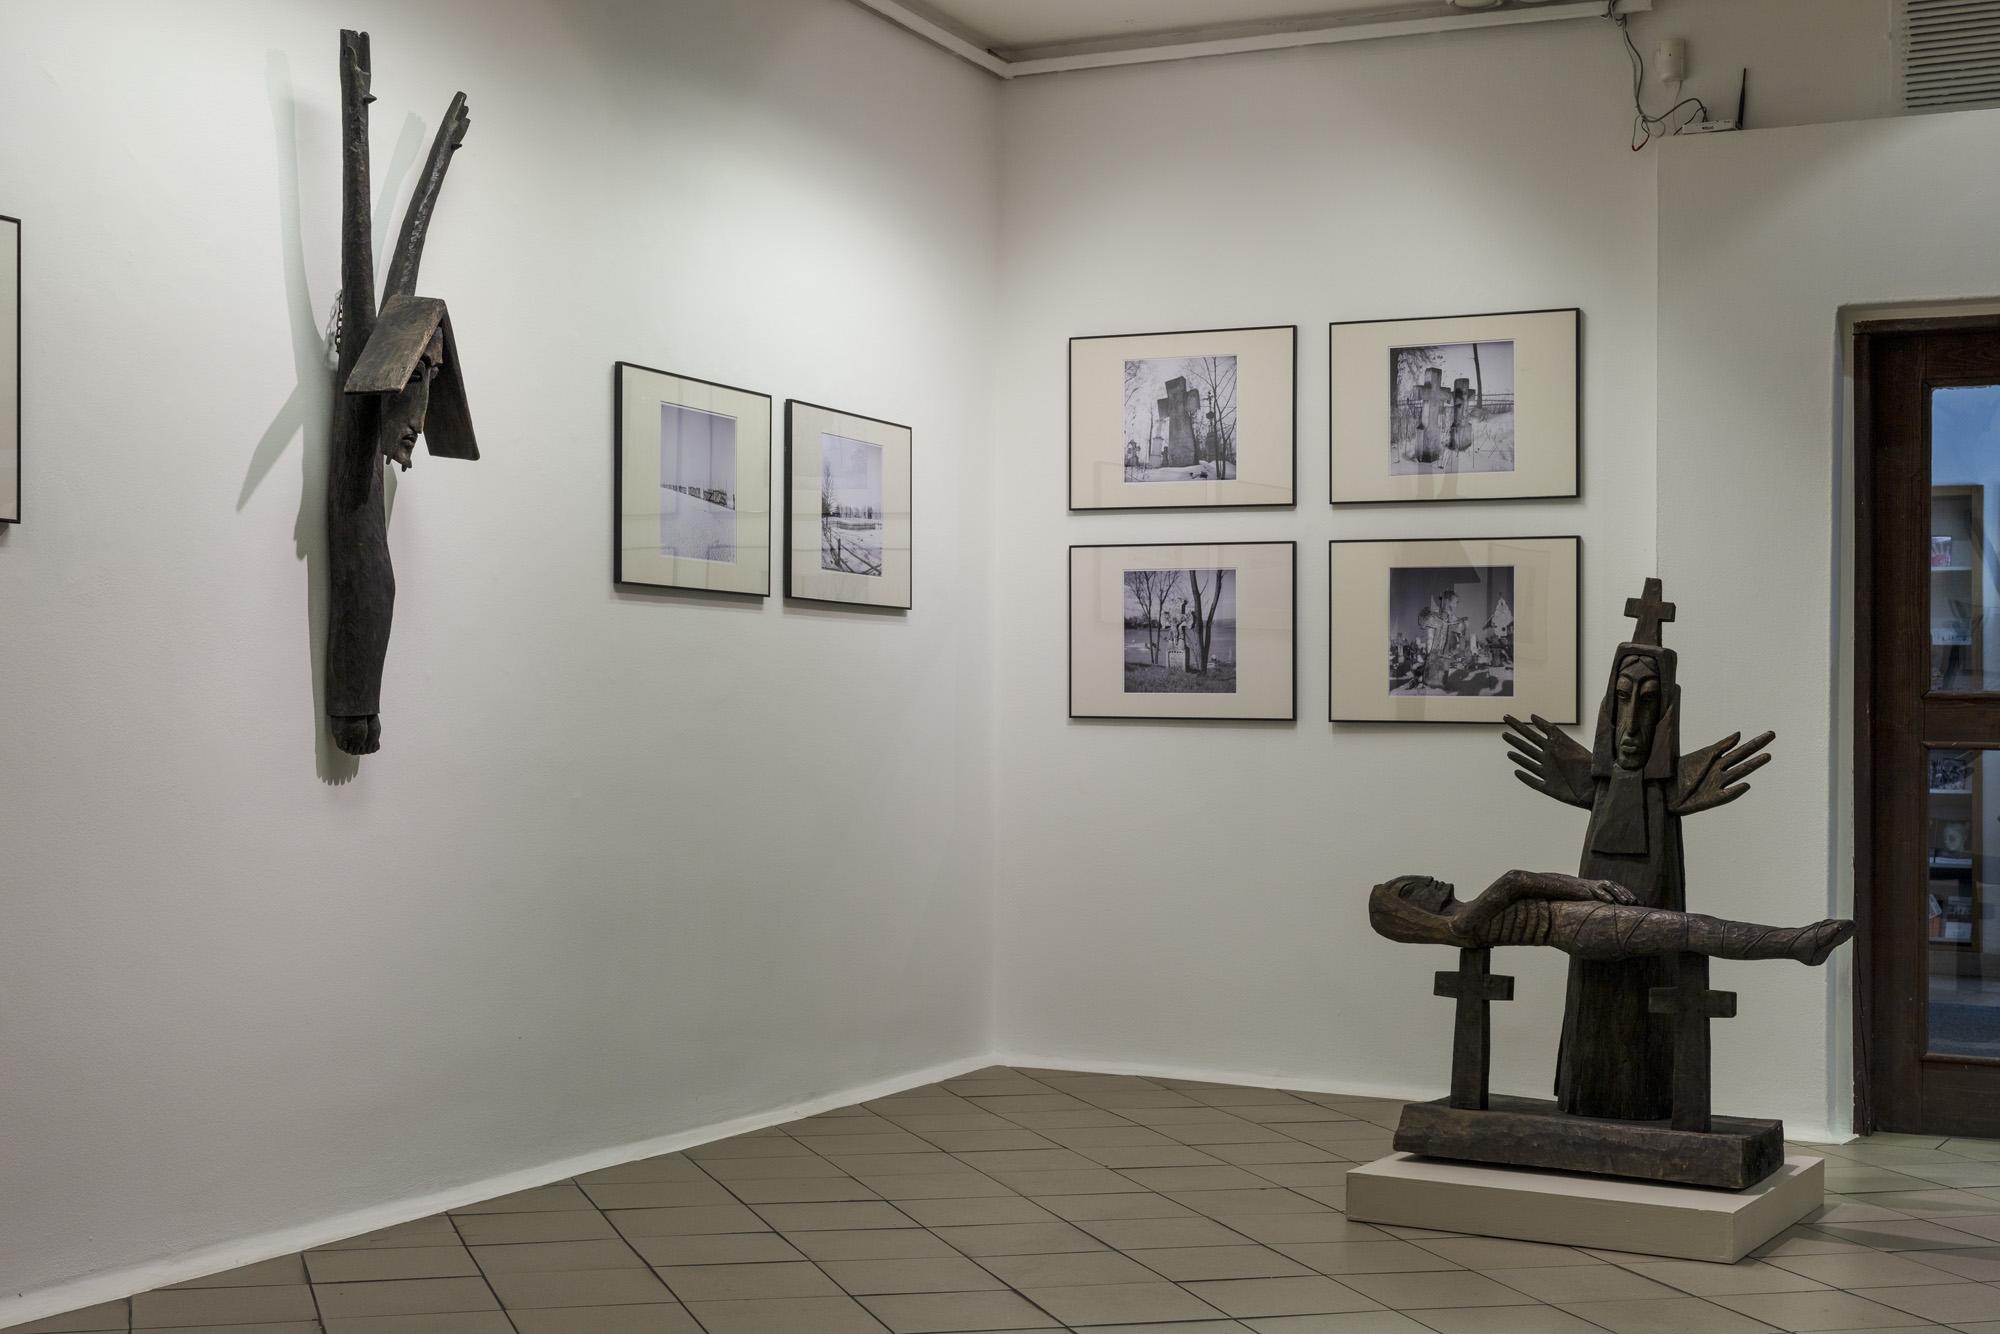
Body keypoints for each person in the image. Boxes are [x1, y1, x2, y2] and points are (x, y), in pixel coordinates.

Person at [1369, 869, 1853, 967]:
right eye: (1413, 888)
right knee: (1692, 928)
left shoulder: (1467, 919)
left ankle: (1794, 942)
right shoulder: (1461, 925)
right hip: (1576, 926)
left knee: (1693, 927)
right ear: (1410, 913)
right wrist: (1582, 886)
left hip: (1576, 919)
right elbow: (1515, 880)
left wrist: (1582, 891)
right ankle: (1794, 944)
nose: (1429, 879)